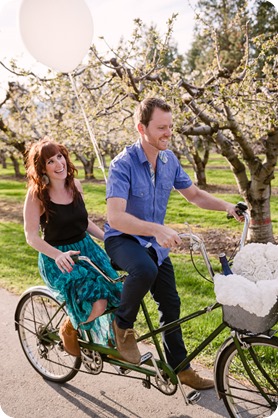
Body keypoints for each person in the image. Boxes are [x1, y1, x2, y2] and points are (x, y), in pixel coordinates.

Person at [104, 97, 242, 390]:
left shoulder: (169, 160)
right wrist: (156, 229)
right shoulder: (123, 164)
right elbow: (115, 218)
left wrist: (227, 206)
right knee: (144, 270)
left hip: (155, 243)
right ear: (142, 128)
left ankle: (181, 369)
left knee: (171, 304)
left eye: (170, 127)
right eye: (161, 128)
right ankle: (123, 327)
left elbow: (193, 194)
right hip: (123, 240)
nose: (168, 133)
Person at [23, 137, 122, 357]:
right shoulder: (37, 195)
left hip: (86, 249)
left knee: (118, 293)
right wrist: (58, 255)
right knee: (98, 301)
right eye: (50, 161)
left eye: (60, 157)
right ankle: (68, 328)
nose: (59, 164)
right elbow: (31, 236)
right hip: (58, 257)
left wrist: (108, 238)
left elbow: (83, 222)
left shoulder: (75, 186)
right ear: (42, 168)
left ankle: (111, 344)